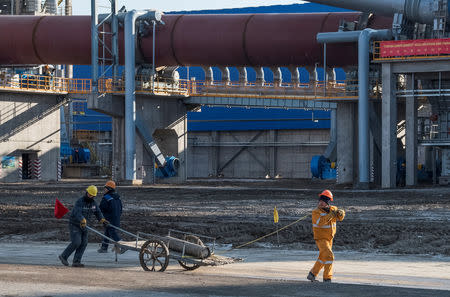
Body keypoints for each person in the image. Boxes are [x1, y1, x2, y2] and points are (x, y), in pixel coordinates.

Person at [58, 185, 108, 267]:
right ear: (87, 192)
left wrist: (102, 220)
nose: (90, 196)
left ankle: (76, 261)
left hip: (85, 226)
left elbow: (98, 212)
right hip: (75, 224)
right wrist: (82, 219)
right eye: (89, 194)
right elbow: (77, 212)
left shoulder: (93, 204)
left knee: (84, 243)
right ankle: (63, 256)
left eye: (92, 195)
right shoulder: (80, 201)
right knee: (76, 242)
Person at [307, 189, 345, 283]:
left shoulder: (333, 209)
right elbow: (320, 222)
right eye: (320, 201)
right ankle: (327, 278)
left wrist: (341, 213)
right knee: (329, 256)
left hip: (330, 238)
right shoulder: (316, 212)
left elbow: (340, 218)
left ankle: (312, 274)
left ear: (327, 202)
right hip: (321, 238)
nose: (321, 203)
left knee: (323, 257)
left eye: (323, 202)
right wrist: (330, 215)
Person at [97, 180, 123, 253]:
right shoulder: (118, 198)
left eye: (105, 188)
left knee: (111, 232)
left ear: (109, 189)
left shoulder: (106, 198)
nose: (104, 190)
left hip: (109, 219)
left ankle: (122, 244)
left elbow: (101, 208)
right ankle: (104, 247)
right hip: (116, 218)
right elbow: (121, 209)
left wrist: (100, 216)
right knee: (107, 231)